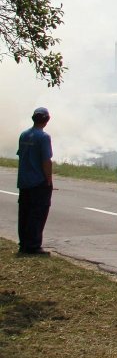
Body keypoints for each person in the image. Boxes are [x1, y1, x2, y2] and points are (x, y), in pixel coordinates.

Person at [17, 107, 54, 255]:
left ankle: (24, 243)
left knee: (24, 213)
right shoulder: (44, 137)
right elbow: (46, 161)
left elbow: (21, 155)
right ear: (46, 120)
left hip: (24, 180)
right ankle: (33, 245)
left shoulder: (24, 135)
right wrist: (49, 180)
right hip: (38, 181)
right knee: (37, 214)